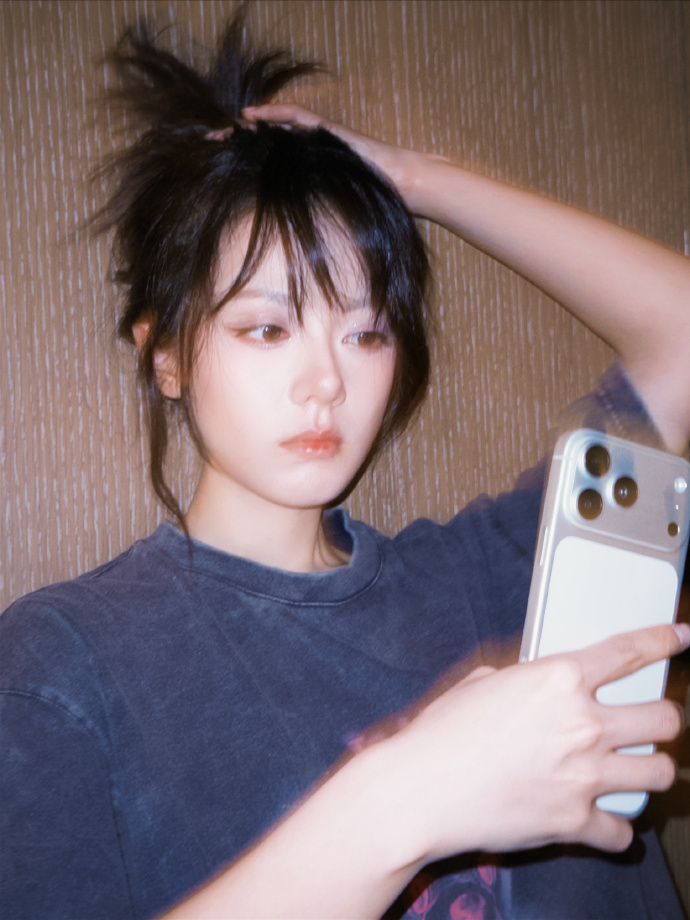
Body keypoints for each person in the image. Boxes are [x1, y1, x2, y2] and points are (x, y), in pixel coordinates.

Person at [1, 12, 689, 920]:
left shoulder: (490, 575)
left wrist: (410, 181)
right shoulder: (65, 663)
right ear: (164, 355)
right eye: (266, 328)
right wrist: (407, 799)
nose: (326, 381)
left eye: (366, 333)